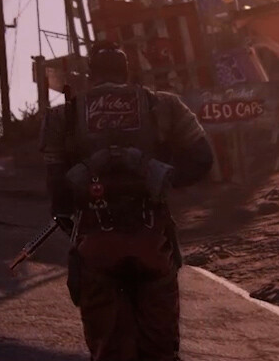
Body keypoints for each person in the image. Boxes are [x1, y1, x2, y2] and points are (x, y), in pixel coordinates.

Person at [40, 42, 215, 361]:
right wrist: (160, 174)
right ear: (127, 72)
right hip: (152, 239)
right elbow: (202, 160)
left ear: (91, 74)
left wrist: (69, 213)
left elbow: (58, 191)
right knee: (161, 349)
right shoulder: (163, 105)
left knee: (107, 349)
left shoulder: (65, 115)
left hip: (95, 243)